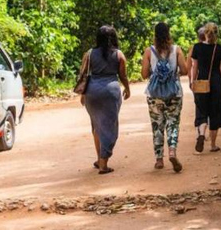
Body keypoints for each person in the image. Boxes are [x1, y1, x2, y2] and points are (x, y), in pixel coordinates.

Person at [80, 25, 131, 174]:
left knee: (96, 125)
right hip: (111, 91)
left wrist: (83, 94)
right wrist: (127, 88)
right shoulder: (119, 55)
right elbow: (123, 76)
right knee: (110, 125)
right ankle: (103, 163)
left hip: (92, 92)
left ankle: (99, 157)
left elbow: (83, 75)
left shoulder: (89, 54)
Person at [142, 22, 188, 172]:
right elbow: (185, 70)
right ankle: (172, 151)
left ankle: (159, 159)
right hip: (174, 93)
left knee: (157, 125)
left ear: (155, 35)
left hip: (154, 95)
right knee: (173, 124)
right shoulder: (177, 50)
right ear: (169, 34)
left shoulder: (149, 51)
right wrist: (173, 73)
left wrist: (154, 73)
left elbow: (143, 74)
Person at [190, 22, 221, 153]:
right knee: (215, 113)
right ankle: (212, 145)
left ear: (204, 33)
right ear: (217, 34)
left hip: (201, 83)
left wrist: (192, 81)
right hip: (216, 84)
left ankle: (201, 134)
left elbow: (194, 67)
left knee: (201, 111)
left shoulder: (197, 47)